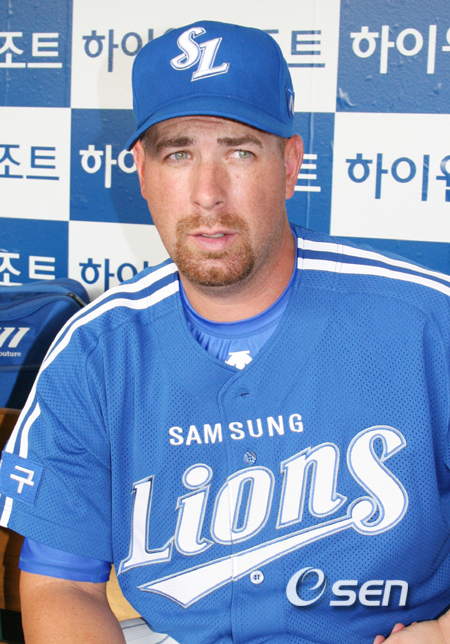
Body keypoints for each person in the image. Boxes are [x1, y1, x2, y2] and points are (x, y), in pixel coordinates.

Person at [0, 20, 450, 644]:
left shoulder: (426, 323)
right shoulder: (94, 353)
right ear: (142, 171)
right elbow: (62, 584)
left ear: (290, 164)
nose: (207, 194)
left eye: (240, 152)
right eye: (178, 154)